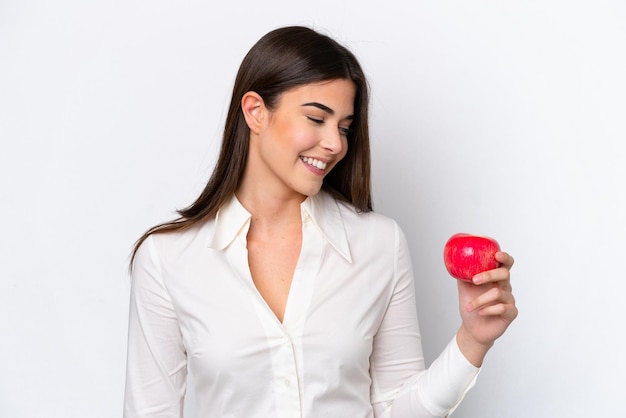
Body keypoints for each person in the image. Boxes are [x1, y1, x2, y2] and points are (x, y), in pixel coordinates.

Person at [123, 25, 518, 418]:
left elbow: (398, 408)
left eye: (344, 127)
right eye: (316, 118)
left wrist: (473, 339)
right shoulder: (167, 259)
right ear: (255, 112)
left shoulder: (379, 243)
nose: (336, 144)